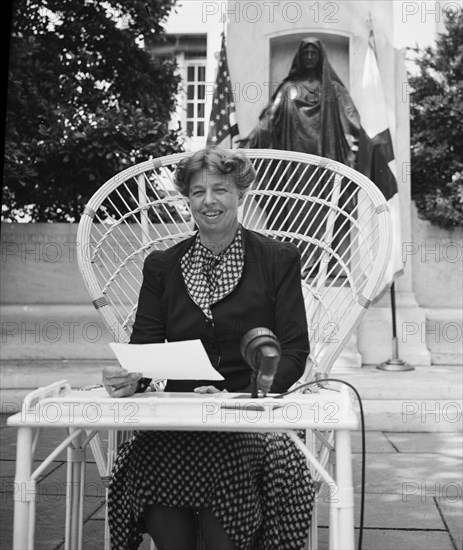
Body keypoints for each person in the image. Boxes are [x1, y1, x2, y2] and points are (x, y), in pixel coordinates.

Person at [102, 147, 315, 550]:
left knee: (230, 460)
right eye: (198, 192)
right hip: (179, 416)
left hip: (252, 414)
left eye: (221, 189)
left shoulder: (277, 258)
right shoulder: (162, 266)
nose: (209, 201)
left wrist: (243, 394)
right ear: (188, 200)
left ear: (241, 195)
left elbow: (292, 353)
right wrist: (130, 377)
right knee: (149, 459)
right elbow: (144, 350)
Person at [244, 37, 360, 167]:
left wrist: (370, 142)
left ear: (320, 56)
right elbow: (270, 118)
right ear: (300, 57)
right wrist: (251, 141)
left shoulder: (332, 89)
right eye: (306, 53)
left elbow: (351, 120)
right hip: (294, 157)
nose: (309, 56)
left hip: (326, 152)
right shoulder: (288, 88)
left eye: (313, 53)